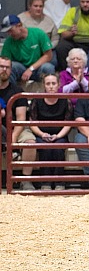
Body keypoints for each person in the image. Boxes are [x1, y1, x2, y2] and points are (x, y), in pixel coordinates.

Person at [29, 74, 73, 190]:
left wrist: (58, 136)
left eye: (54, 83)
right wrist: (42, 134)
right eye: (48, 84)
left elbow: (68, 123)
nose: (51, 87)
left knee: (58, 147)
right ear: (44, 85)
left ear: (59, 85)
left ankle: (60, 182)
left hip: (60, 134)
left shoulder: (65, 101)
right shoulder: (37, 100)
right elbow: (32, 122)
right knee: (45, 147)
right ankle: (45, 182)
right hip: (41, 134)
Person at [0, 56, 37, 190]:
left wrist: (13, 137)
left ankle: (25, 180)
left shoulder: (17, 91)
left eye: (7, 67)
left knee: (30, 142)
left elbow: (21, 119)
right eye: (1, 66)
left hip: (16, 127)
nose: (4, 70)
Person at [0, 15, 55, 84]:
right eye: (8, 32)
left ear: (19, 25)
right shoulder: (9, 41)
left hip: (38, 68)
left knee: (48, 67)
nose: (10, 34)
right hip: (21, 69)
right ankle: (11, 92)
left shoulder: (38, 33)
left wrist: (31, 69)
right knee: (11, 67)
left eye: (11, 30)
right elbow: (5, 59)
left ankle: (49, 92)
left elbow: (48, 55)